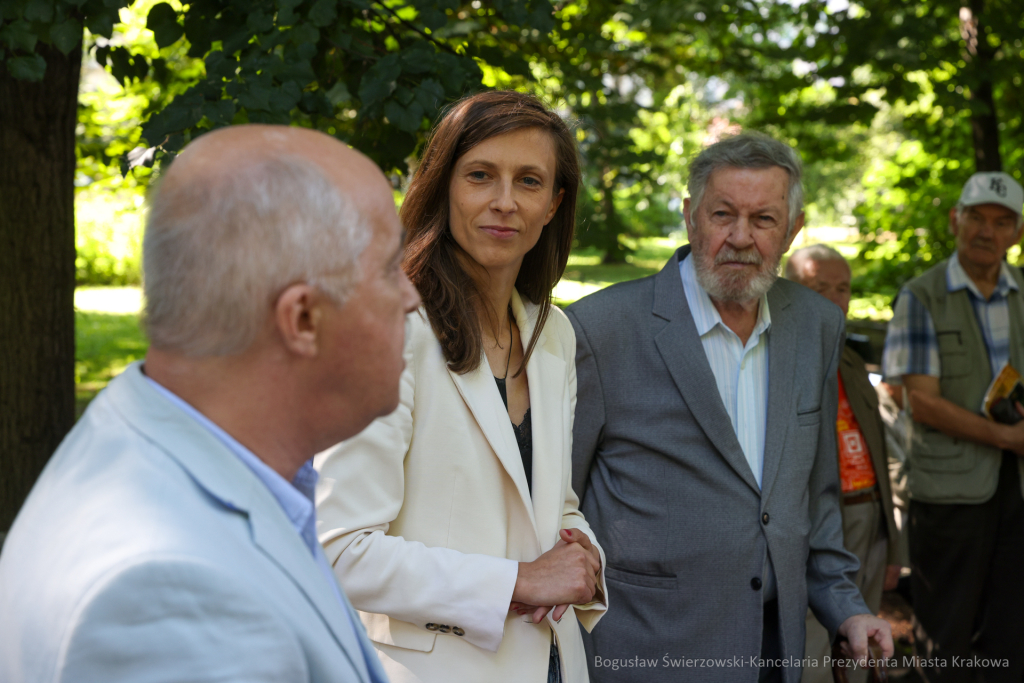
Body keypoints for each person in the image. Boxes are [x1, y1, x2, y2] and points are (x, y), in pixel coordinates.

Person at [0, 125, 421, 682]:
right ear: (302, 319)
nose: (413, 298)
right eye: (391, 269)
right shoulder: (167, 593)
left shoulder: (149, 444)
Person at [568, 133, 894, 683]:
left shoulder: (816, 324)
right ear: (691, 217)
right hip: (646, 651)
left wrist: (847, 608)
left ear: (792, 230)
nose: (740, 238)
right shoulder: (600, 329)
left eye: (763, 220)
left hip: (774, 650)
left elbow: (813, 500)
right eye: (723, 214)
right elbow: (555, 503)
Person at [315, 91, 607, 683]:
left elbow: (548, 501)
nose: (504, 202)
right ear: (444, 187)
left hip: (553, 663)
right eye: (480, 176)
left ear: (553, 205)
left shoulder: (554, 335)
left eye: (529, 181)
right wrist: (519, 580)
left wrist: (584, 554)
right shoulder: (389, 327)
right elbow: (337, 548)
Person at [881, 171, 1024, 683]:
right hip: (948, 490)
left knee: (1012, 628)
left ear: (1018, 233)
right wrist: (1009, 438)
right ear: (955, 220)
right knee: (946, 635)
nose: (987, 232)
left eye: (1002, 222)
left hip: (1018, 490)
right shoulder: (922, 295)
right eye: (977, 218)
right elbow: (921, 401)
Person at [785, 244, 902, 683]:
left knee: (862, 637)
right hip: (818, 522)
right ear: (789, 291)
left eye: (843, 289)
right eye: (819, 288)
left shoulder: (852, 362)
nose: (835, 299)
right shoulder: (783, 361)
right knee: (815, 640)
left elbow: (881, 454)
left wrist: (894, 542)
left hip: (868, 516)